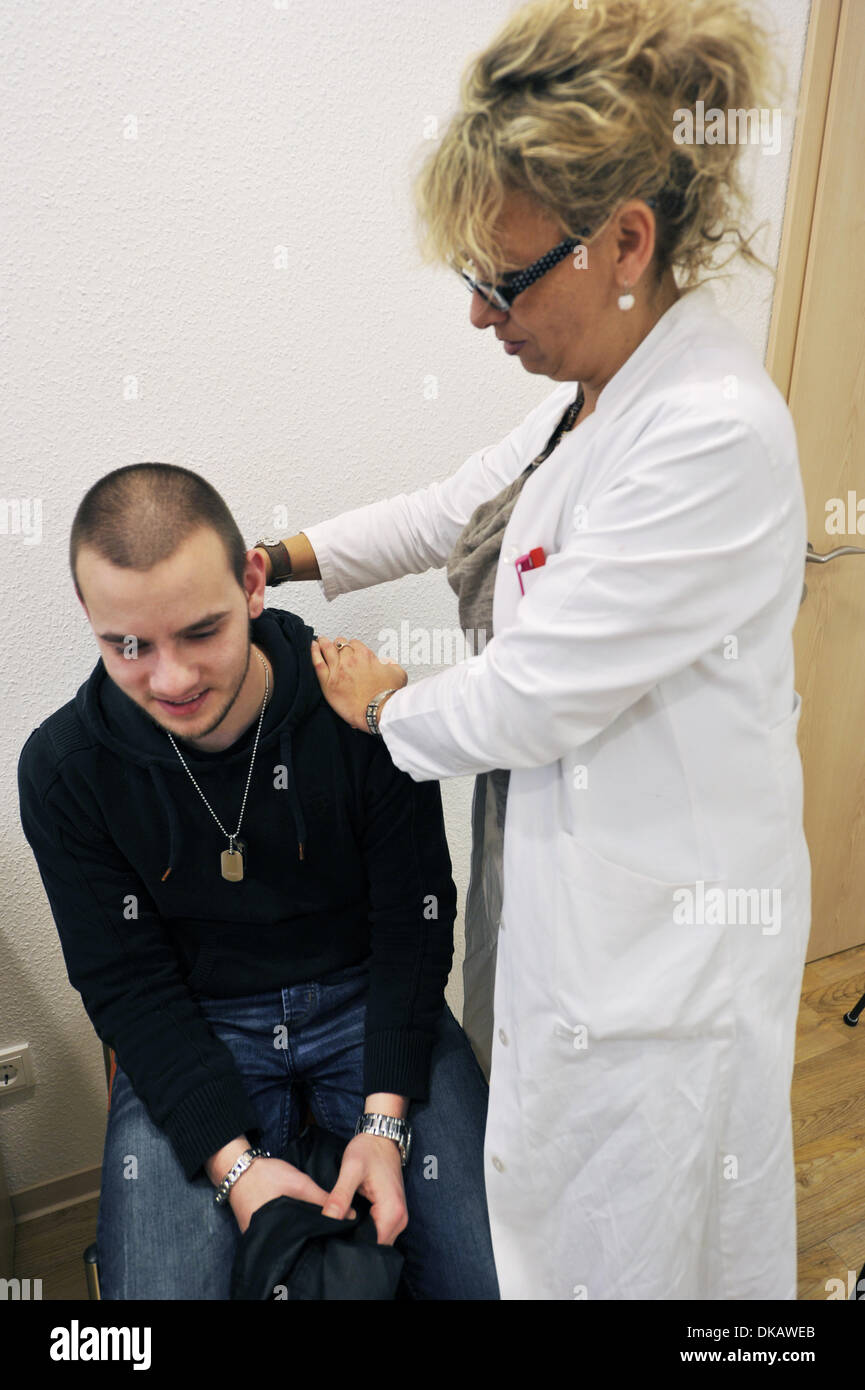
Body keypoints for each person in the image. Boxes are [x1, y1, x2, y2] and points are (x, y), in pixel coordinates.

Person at [252, 0, 811, 1299]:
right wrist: (281, 558)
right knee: (567, 1225)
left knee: (644, 1248)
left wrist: (382, 701)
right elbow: (455, 510)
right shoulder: (597, 396)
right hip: (578, 910)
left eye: (501, 281)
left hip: (661, 958)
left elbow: (537, 694)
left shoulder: (709, 428)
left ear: (624, 240)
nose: (477, 315)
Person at [17, 462, 499, 1300]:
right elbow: (126, 987)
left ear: (251, 586)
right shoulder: (65, 771)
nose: (169, 679)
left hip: (362, 998)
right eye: (127, 644)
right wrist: (239, 1170)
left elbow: (414, 927)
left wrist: (383, 1126)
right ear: (91, 623)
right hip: (199, 1021)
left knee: (494, 1280)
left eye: (199, 632)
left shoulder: (359, 711)